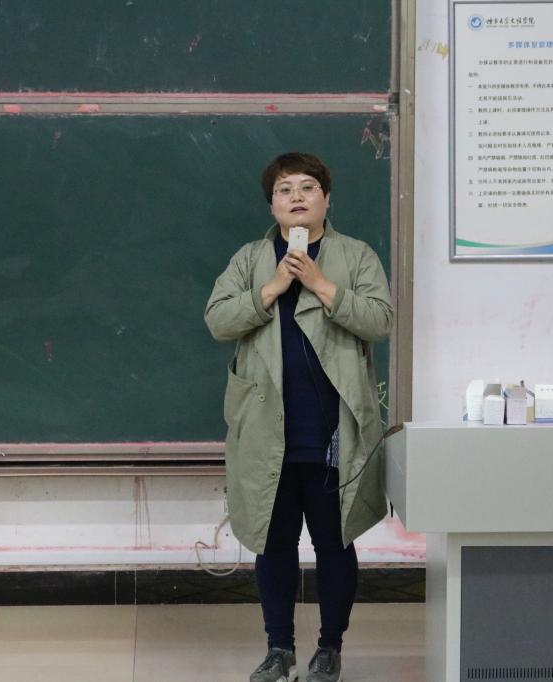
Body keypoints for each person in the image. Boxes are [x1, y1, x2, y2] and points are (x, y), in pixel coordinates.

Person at [204, 152, 393, 682]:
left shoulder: (356, 255)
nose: (296, 197)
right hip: (267, 432)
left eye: (308, 187)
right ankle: (279, 648)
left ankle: (329, 648)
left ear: (326, 199)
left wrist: (320, 282)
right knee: (273, 544)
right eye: (284, 190)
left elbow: (380, 320)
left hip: (333, 432)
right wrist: (271, 289)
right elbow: (218, 320)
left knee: (335, 544)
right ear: (273, 205)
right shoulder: (249, 259)